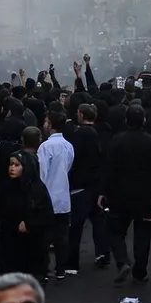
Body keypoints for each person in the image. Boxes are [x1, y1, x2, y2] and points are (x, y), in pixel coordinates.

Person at [101, 105, 151, 285]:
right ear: (144, 120)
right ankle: (140, 271)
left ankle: (122, 261)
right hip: (145, 195)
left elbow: (109, 168)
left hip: (119, 195)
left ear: (126, 120)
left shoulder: (117, 141)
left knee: (115, 231)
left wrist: (104, 191)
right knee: (143, 233)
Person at [0, 150, 55, 282]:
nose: (12, 168)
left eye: (17, 165)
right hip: (10, 242)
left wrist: (28, 223)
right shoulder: (6, 187)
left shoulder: (37, 189)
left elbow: (46, 216)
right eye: (11, 164)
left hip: (32, 244)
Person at [66, 103, 109, 274]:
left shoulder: (77, 136)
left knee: (75, 226)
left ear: (81, 114)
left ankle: (71, 263)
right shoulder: (100, 134)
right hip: (96, 184)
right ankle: (103, 253)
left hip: (80, 186)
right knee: (98, 221)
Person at [38, 111, 75, 281]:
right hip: (63, 196)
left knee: (45, 237)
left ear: (50, 125)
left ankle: (44, 269)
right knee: (62, 236)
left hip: (48, 196)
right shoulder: (68, 145)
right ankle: (61, 268)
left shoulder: (45, 147)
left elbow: (42, 173)